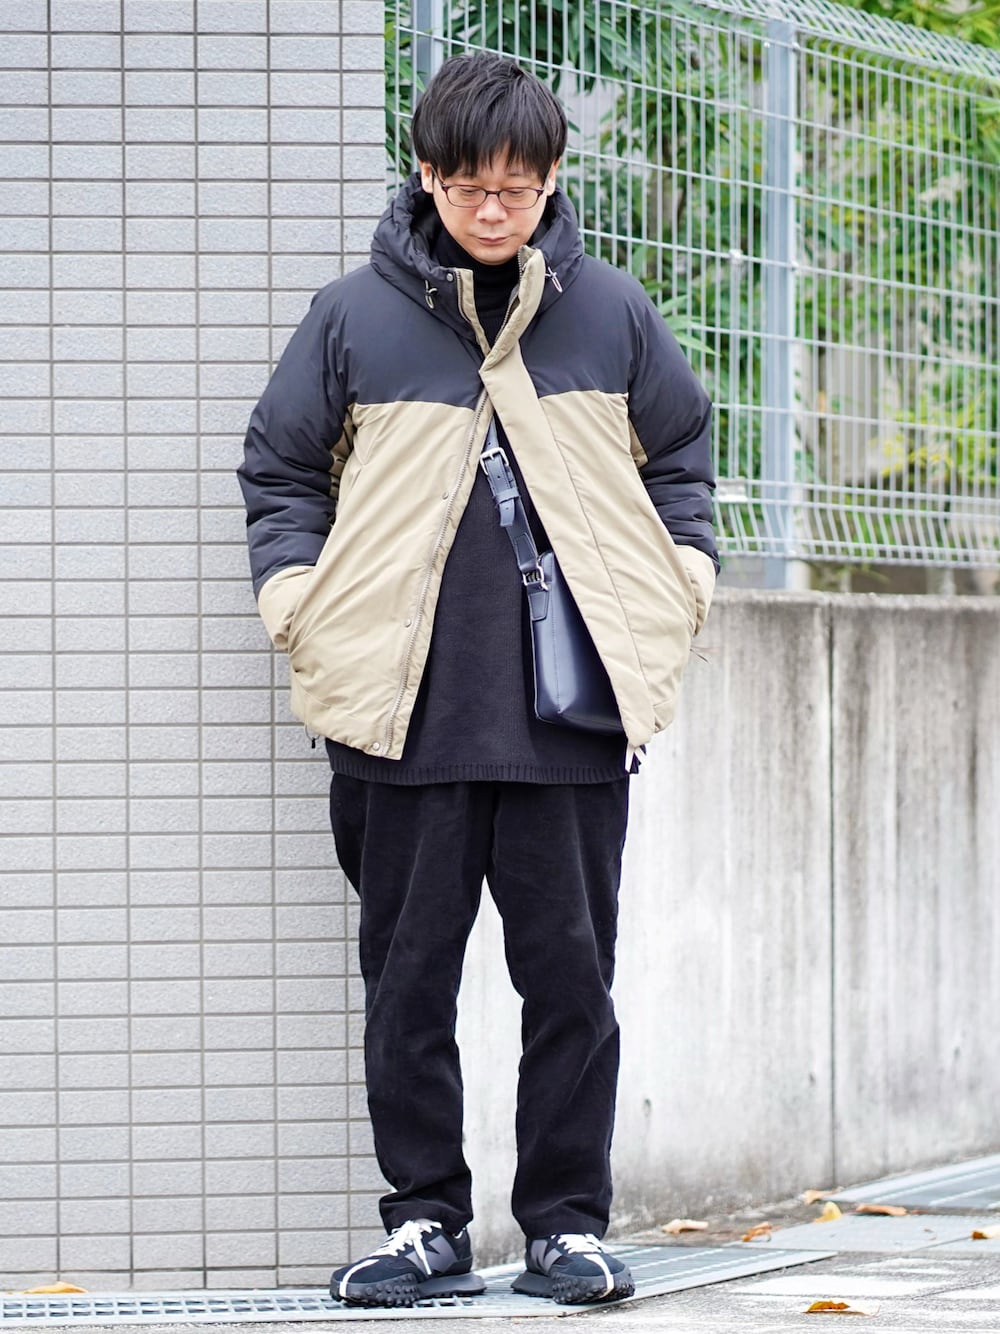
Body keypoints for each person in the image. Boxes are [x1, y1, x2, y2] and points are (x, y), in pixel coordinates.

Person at [238, 51, 718, 1309]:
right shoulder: (354, 316)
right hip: (399, 718)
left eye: (516, 185)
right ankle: (425, 1223)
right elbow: (279, 470)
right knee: (408, 987)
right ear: (425, 174)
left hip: (572, 718)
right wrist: (296, 602)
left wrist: (684, 580)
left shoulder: (610, 312)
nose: (492, 208)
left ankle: (565, 1225)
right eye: (467, 185)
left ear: (552, 178)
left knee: (570, 985)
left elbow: (680, 456)